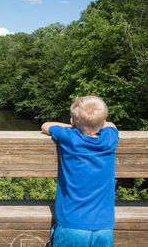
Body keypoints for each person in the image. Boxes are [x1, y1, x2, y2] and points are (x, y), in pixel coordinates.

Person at [41, 96, 119, 247]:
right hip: (103, 228)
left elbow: (46, 125)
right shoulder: (110, 138)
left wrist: (76, 125)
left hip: (71, 225)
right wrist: (92, 124)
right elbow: (111, 124)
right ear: (102, 123)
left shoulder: (69, 137)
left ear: (72, 122)